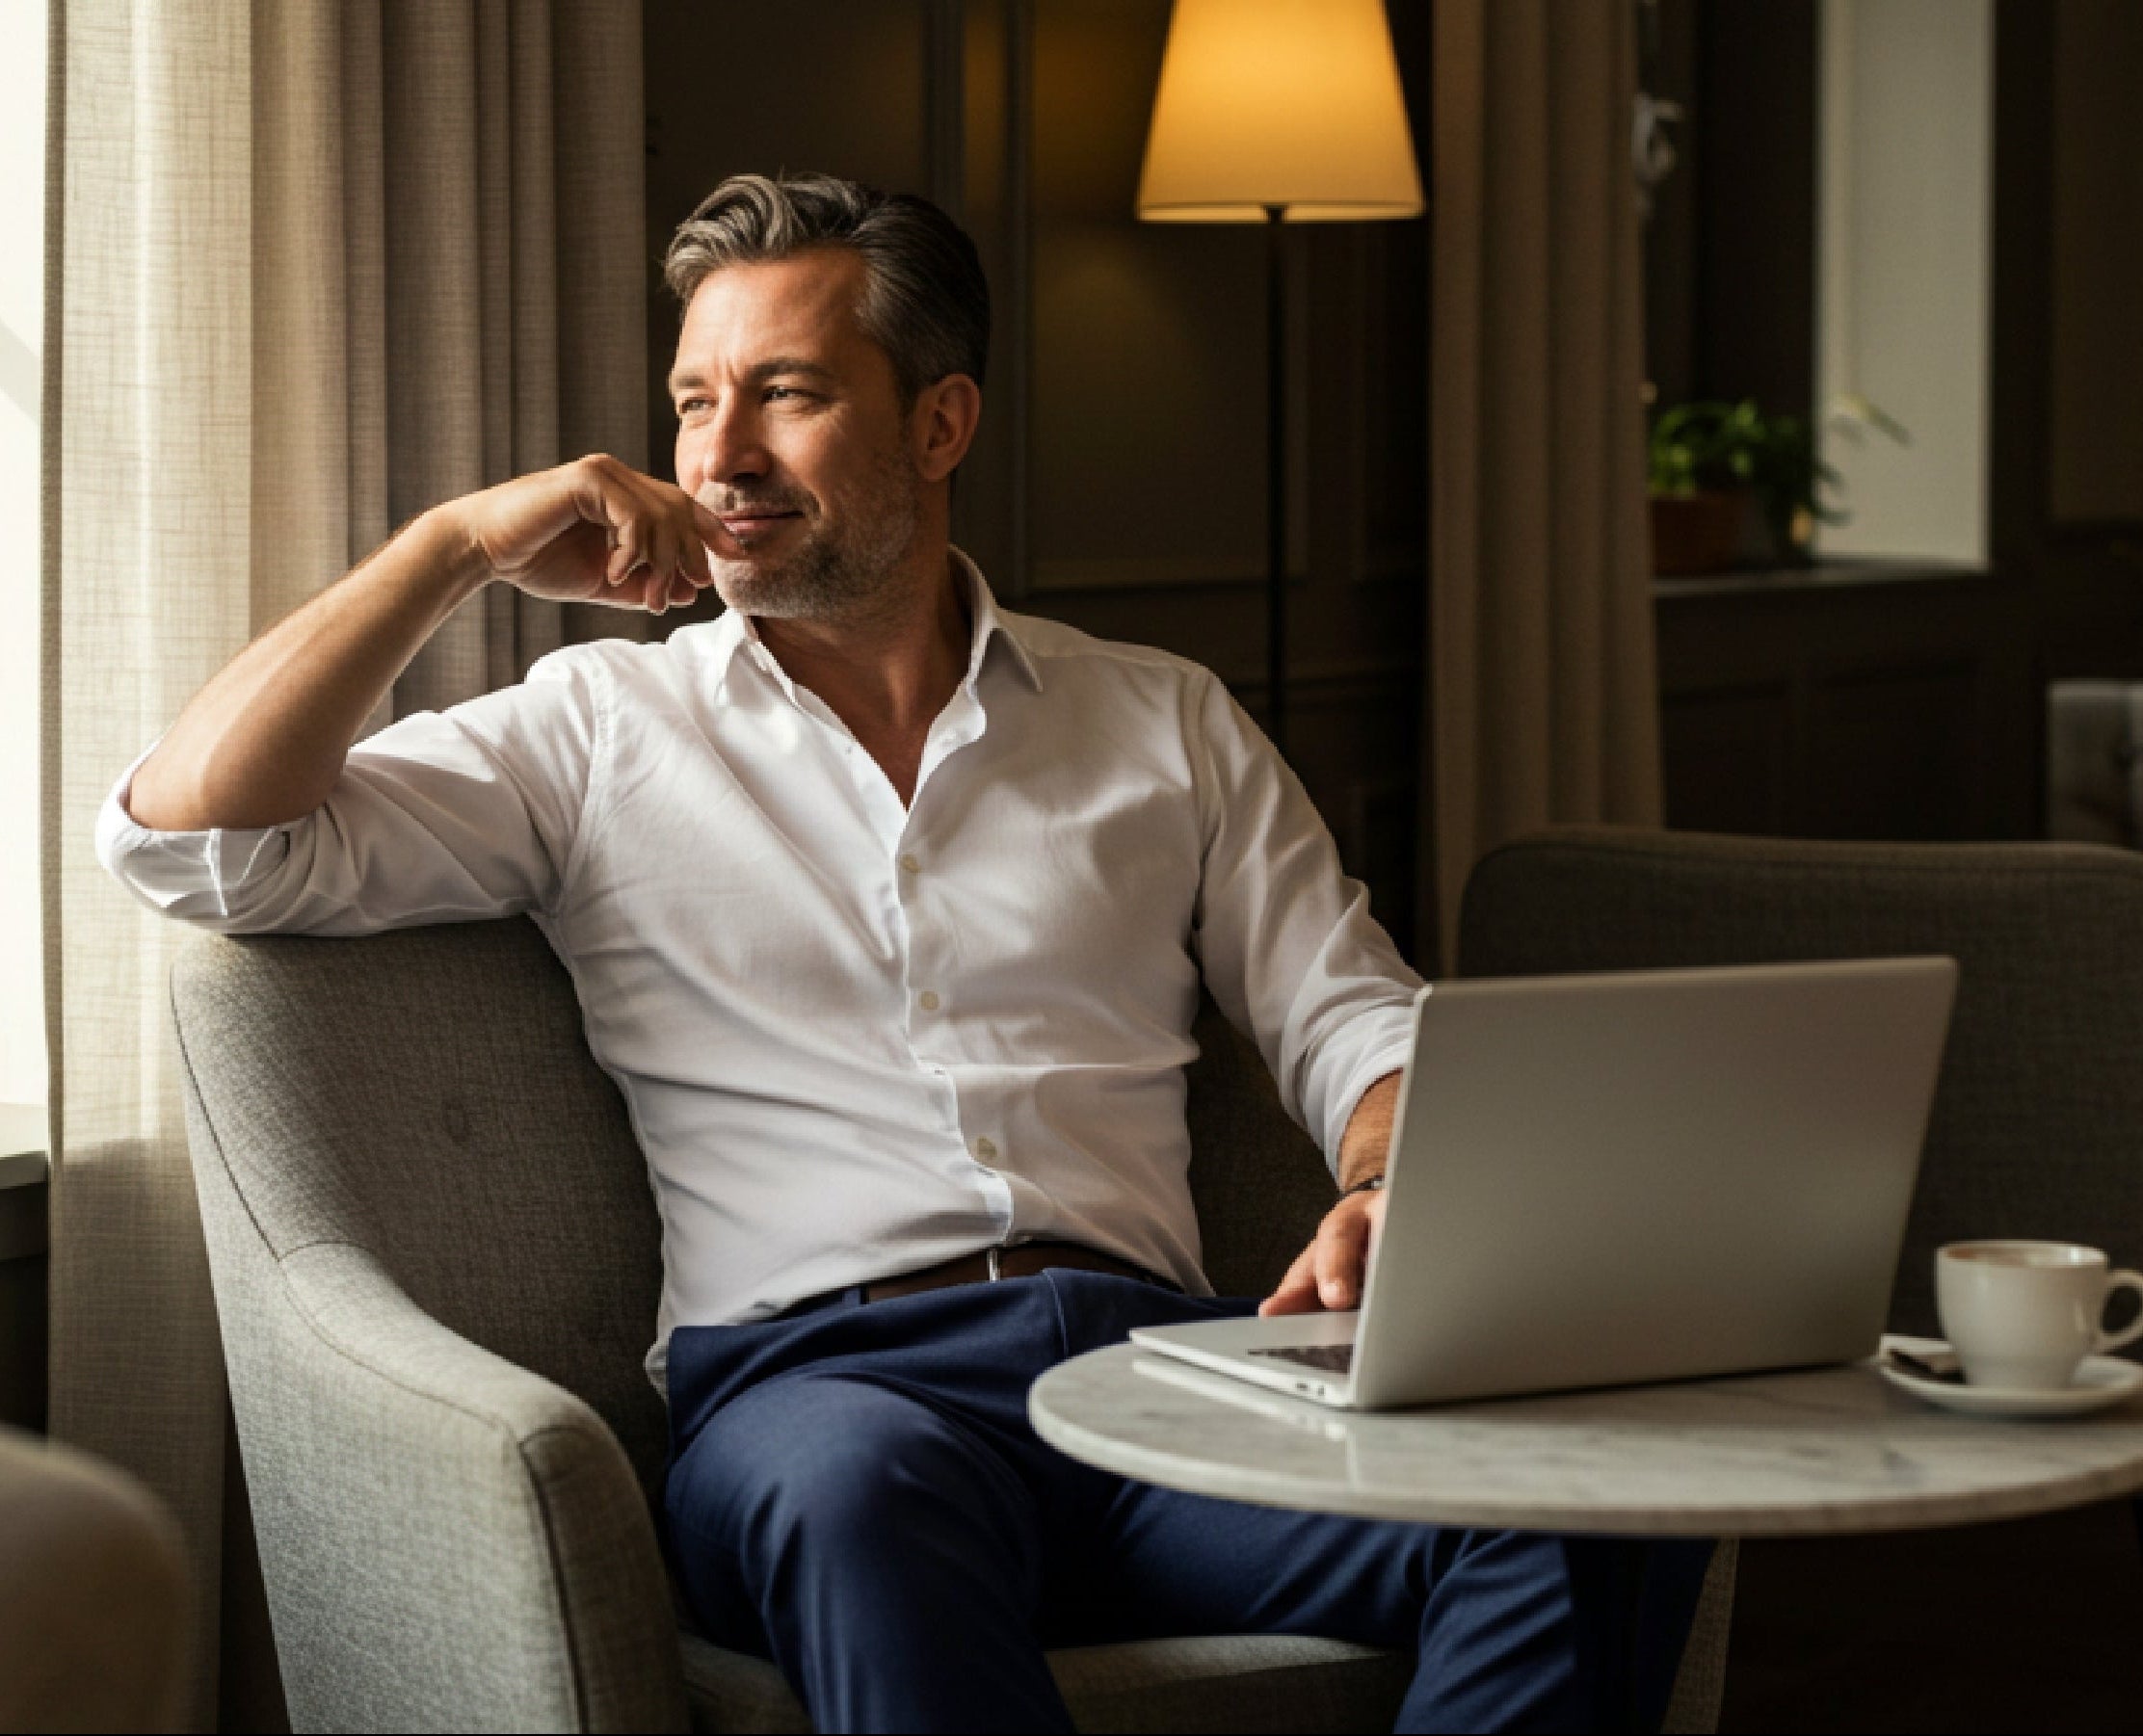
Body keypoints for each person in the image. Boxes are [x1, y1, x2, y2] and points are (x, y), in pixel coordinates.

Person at [99, 171, 1699, 1735]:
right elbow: (187, 839)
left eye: (784, 394)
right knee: (860, 1501)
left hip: (1159, 1375)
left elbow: (1359, 1021)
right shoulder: (596, 732)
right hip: (822, 1395)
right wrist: (453, 545)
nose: (719, 456)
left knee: (1585, 1485)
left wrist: (1380, 1184)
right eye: (692, 401)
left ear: (940, 424)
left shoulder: (1163, 720)